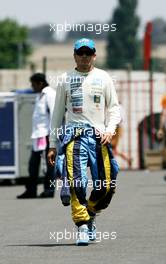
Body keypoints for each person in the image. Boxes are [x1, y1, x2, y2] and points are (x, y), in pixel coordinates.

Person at [48, 38, 121, 245]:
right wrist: (53, 144)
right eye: (80, 53)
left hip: (99, 137)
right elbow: (57, 114)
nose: (84, 57)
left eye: (88, 53)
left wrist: (110, 130)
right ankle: (81, 225)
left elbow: (114, 108)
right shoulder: (65, 79)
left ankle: (90, 215)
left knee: (107, 185)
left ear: (94, 55)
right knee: (77, 181)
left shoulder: (104, 77)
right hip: (75, 136)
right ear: (74, 56)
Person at [17, 73, 56, 199]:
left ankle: (49, 190)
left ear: (40, 83)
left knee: (49, 164)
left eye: (33, 84)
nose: (32, 87)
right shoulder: (40, 95)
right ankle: (31, 190)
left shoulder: (49, 94)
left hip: (47, 135)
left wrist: (53, 136)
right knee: (33, 164)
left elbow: (55, 115)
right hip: (39, 136)